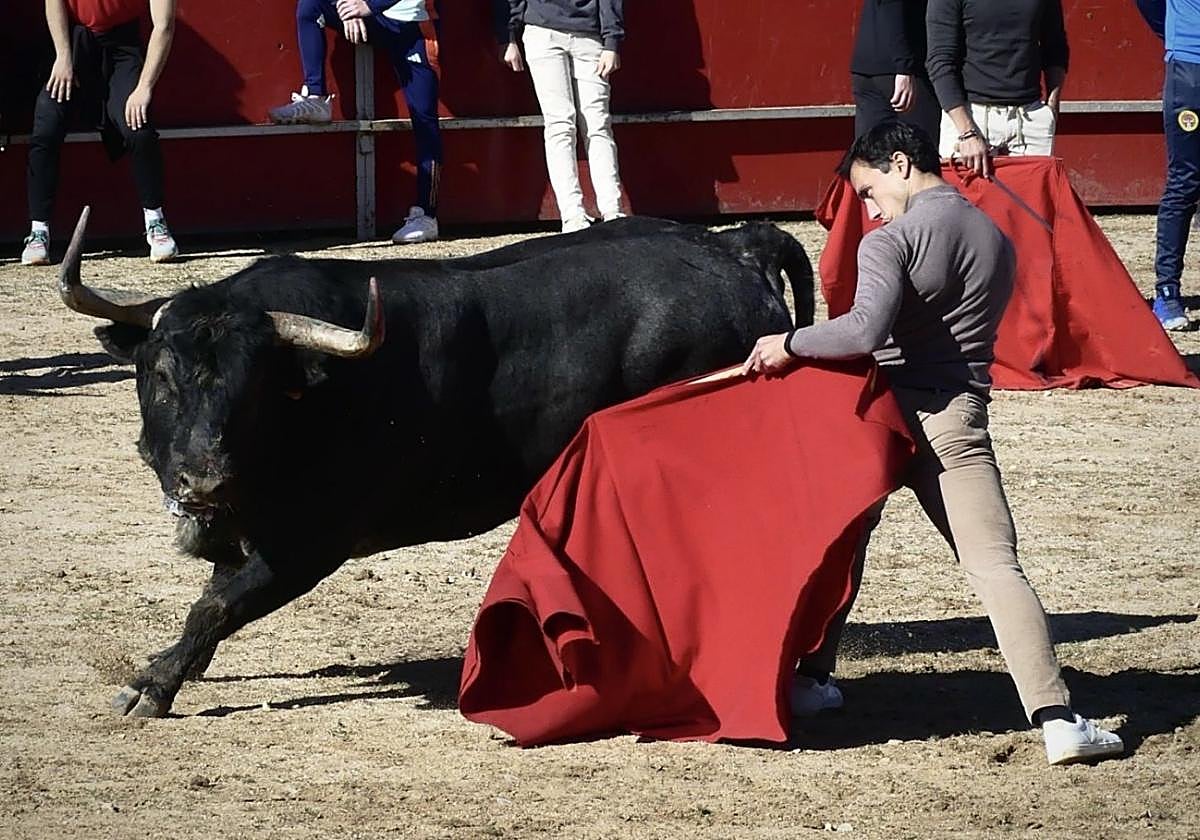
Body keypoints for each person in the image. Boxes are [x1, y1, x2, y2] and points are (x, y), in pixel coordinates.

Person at [742, 121, 1125, 767]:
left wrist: (790, 343)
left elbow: (863, 332)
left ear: (898, 163)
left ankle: (808, 680)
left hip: (884, 417)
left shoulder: (889, 242)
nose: (869, 208)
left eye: (869, 192)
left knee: (843, 543)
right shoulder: (994, 237)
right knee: (994, 566)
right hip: (957, 418)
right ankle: (1058, 719)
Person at [269, 0, 442, 244]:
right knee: (310, 5)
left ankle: (427, 215)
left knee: (425, 122)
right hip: (376, 20)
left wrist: (367, 5)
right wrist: (346, 7)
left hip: (413, 27)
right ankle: (316, 95)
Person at [23, 0, 179, 266]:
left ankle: (155, 222)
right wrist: (63, 56)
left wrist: (144, 87)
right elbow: (54, 3)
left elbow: (164, 25)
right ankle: (39, 231)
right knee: (46, 126)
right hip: (72, 41)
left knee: (138, 128)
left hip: (123, 47)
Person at [494, 0, 626, 233]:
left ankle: (612, 211)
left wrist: (611, 42)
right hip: (542, 34)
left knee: (597, 124)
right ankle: (572, 214)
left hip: (590, 36)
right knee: (560, 124)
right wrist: (508, 36)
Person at [925, 0, 1069, 178]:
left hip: (1030, 119)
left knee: (1031, 205)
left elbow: (1055, 48)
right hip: (972, 117)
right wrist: (966, 133)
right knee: (968, 204)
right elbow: (939, 62)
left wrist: (1052, 106)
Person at [1135, 0, 1195, 331]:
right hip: (1190, 67)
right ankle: (1167, 293)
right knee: (1185, 181)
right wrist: (1177, 37)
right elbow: (1149, 5)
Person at [851, 0, 940, 142]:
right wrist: (904, 67)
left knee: (871, 153)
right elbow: (893, 7)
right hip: (900, 69)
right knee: (920, 151)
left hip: (867, 68)